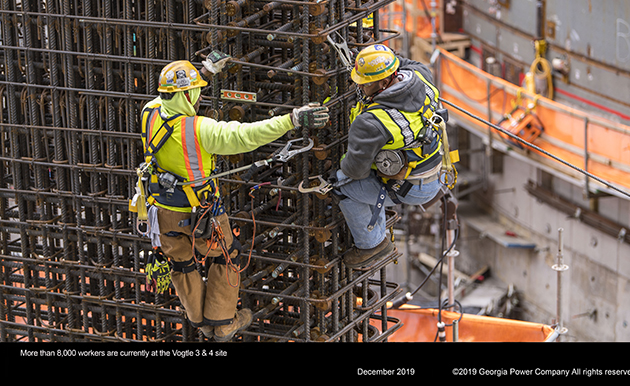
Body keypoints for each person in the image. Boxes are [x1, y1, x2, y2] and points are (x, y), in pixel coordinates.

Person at [140, 52, 328, 341]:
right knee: (227, 256)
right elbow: (246, 135)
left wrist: (205, 71)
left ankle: (200, 321)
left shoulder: (149, 112)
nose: (200, 97)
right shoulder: (199, 129)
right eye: (197, 92)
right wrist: (292, 119)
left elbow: (176, 92)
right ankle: (223, 323)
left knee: (181, 263)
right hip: (201, 212)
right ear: (187, 95)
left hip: (161, 211)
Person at [332, 44, 448, 270]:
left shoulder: (372, 122)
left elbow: (355, 171)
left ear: (384, 83)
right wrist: (376, 60)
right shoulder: (421, 76)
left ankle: (371, 245)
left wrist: (347, 160)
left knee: (340, 183)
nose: (359, 85)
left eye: (365, 82)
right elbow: (403, 62)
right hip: (434, 173)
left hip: (411, 187)